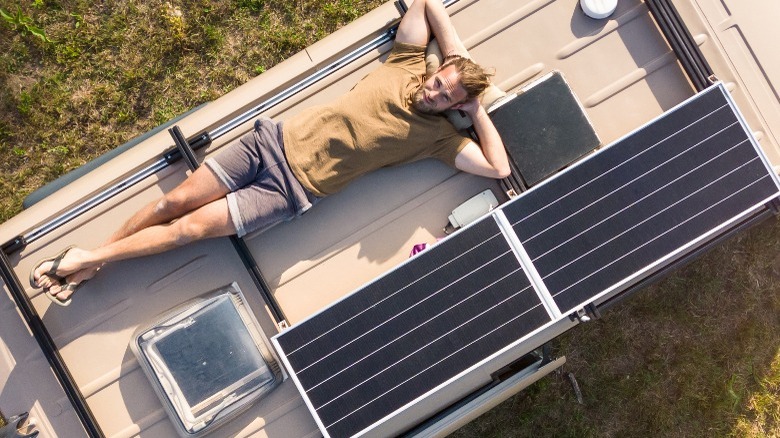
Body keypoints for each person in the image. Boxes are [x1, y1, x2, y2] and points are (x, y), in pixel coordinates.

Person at [29, 0, 510, 306]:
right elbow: (428, 5)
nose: (433, 94)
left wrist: (476, 106)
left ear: (456, 106)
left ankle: (84, 260)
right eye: (438, 83)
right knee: (169, 204)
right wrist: (456, 62)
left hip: (292, 190)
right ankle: (89, 260)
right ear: (435, 69)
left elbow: (497, 166)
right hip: (268, 142)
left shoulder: (438, 138)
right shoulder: (407, 63)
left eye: (446, 97)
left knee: (187, 230)